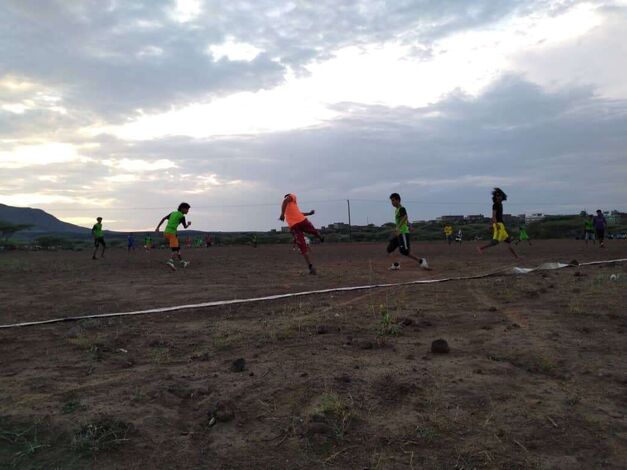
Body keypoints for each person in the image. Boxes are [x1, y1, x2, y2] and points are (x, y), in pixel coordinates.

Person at [279, 193, 324, 275]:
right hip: (295, 225)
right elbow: (300, 213)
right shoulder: (287, 209)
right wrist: (309, 214)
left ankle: (319, 236)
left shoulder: (292, 197)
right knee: (303, 247)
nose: (287, 198)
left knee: (311, 231)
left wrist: (282, 214)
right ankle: (311, 267)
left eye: (287, 196)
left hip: (299, 222)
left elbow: (285, 201)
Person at [387, 193, 430, 271]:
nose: (392, 202)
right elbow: (405, 219)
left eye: (393, 200)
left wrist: (398, 227)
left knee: (404, 251)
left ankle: (421, 261)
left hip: (403, 233)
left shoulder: (402, 208)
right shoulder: (397, 210)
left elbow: (405, 217)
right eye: (391, 201)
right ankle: (396, 265)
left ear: (398, 200)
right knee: (390, 249)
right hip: (399, 233)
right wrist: (409, 225)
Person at [477, 188, 519, 258]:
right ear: (495, 197)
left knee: (508, 241)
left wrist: (493, 225)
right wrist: (495, 225)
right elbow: (493, 216)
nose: (499, 197)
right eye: (497, 196)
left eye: (500, 196)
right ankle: (480, 248)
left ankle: (516, 257)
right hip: (498, 225)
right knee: (495, 242)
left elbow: (495, 216)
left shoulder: (500, 204)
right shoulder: (495, 205)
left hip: (501, 225)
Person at [155, 203, 192, 271]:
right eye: (187, 209)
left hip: (166, 232)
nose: (188, 211)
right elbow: (185, 227)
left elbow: (163, 218)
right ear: (182, 209)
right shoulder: (182, 216)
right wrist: (188, 224)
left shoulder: (173, 213)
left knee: (177, 248)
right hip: (172, 233)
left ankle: (182, 262)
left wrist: (158, 227)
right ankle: (170, 261)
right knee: (174, 249)